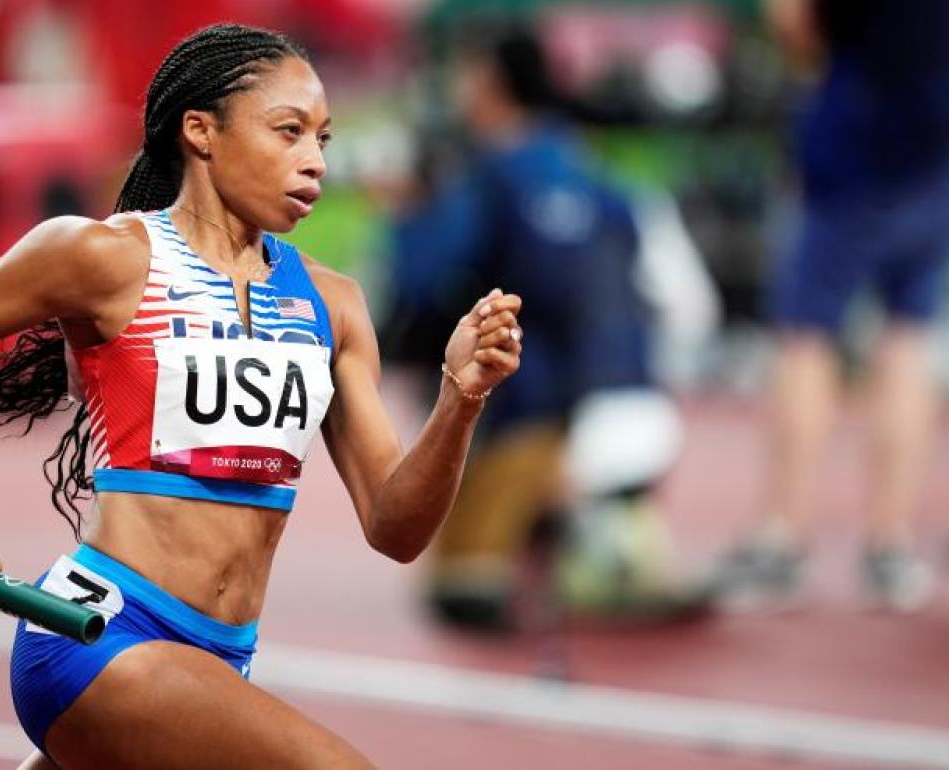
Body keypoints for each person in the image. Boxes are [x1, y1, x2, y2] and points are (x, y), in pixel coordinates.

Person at [0, 23, 523, 769]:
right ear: (201, 132)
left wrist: (461, 397)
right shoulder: (107, 257)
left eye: (323, 139)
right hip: (98, 634)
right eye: (288, 131)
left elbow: (397, 529)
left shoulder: (334, 304)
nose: (315, 161)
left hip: (218, 659)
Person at [380, 26, 696, 630]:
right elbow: (673, 298)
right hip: (644, 410)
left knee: (458, 588)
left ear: (491, 84)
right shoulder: (600, 175)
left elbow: (425, 279)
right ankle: (613, 527)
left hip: (536, 411)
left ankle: (572, 528)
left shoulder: (488, 174)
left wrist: (405, 216)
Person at [713, 0, 949, 611]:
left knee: (804, 337)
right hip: (934, 140)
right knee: (908, 335)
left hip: (856, 141)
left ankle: (783, 539)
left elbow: (795, 24)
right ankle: (889, 546)